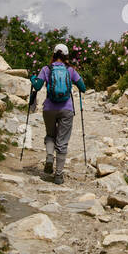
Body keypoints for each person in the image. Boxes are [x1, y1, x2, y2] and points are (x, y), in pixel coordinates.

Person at [29, 42, 86, 183]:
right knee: (62, 142)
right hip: (66, 109)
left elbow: (37, 86)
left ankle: (49, 157)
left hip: (49, 109)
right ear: (66, 56)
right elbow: (83, 88)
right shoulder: (70, 70)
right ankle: (59, 175)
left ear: (54, 54)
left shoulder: (46, 69)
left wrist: (32, 79)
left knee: (50, 135)